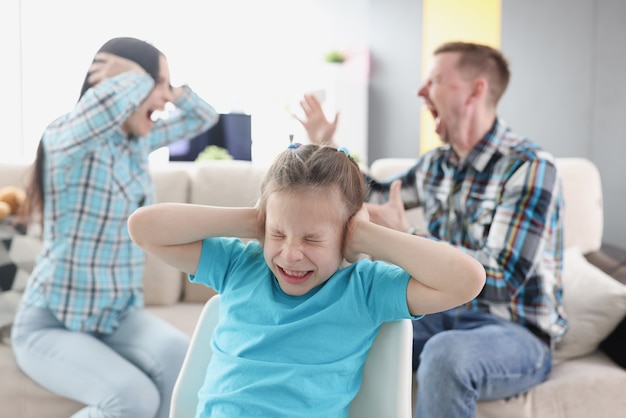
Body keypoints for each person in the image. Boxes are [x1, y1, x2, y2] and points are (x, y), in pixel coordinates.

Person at [296, 41, 567, 418]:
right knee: (352, 329)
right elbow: (374, 191)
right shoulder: (437, 164)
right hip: (441, 312)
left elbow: (504, 280)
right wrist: (328, 145)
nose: (419, 91)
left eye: (434, 80)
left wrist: (407, 238)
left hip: (515, 330)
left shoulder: (530, 167)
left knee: (445, 355)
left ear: (476, 90)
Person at [127, 143, 486, 417]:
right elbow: (143, 228)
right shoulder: (241, 265)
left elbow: (466, 280)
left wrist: (365, 235)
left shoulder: (364, 289)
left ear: (347, 236)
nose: (291, 254)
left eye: (312, 239)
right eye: (278, 234)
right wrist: (253, 220)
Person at [11, 37, 219, 418]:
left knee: (185, 364)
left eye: (165, 86)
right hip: (51, 324)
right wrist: (136, 78)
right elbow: (100, 112)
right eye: (156, 85)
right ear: (120, 82)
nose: (165, 99)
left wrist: (163, 85)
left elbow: (203, 117)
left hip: (117, 317)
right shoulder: (67, 138)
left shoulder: (135, 143)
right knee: (133, 398)